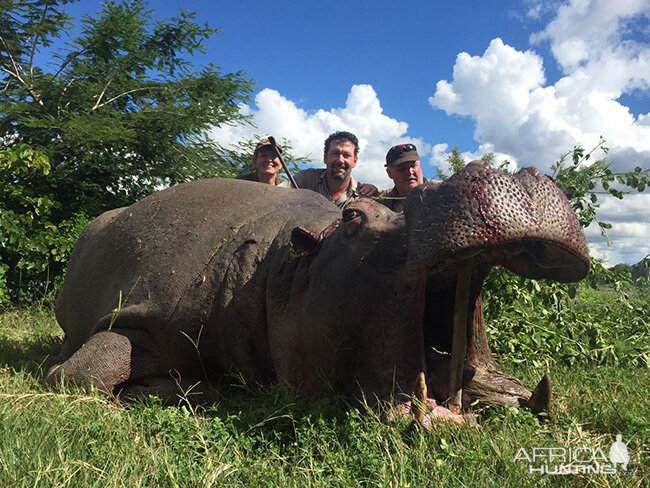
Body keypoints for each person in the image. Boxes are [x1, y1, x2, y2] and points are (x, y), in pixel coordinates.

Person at [291, 131, 378, 208]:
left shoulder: (365, 195)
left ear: (355, 161)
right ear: (325, 158)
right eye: (335, 153)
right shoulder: (304, 180)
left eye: (346, 155)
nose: (340, 160)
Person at [379, 143, 437, 212]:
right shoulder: (383, 202)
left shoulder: (441, 190)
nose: (410, 172)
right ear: (389, 173)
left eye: (413, 166)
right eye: (402, 168)